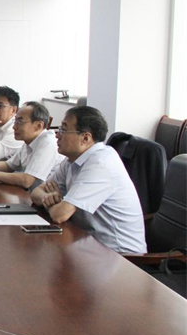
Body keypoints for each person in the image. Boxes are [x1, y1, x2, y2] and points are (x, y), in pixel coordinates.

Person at [31, 106, 146, 254]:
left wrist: (55, 204)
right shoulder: (72, 160)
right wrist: (48, 198)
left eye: (64, 130)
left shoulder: (100, 164)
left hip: (120, 256)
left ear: (85, 138)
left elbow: (59, 215)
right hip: (88, 243)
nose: (57, 135)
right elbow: (36, 193)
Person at [0, 101, 63, 190]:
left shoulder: (47, 143)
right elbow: (9, 165)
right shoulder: (29, 141)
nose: (14, 127)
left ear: (38, 126)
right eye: (15, 121)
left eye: (20, 122)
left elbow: (27, 180)